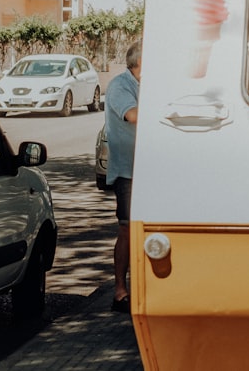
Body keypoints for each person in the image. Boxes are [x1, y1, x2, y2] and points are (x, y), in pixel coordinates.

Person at [105, 41, 141, 313]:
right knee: (128, 229)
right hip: (129, 172)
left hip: (151, 169)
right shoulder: (120, 86)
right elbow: (133, 115)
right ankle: (119, 290)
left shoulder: (147, 85)